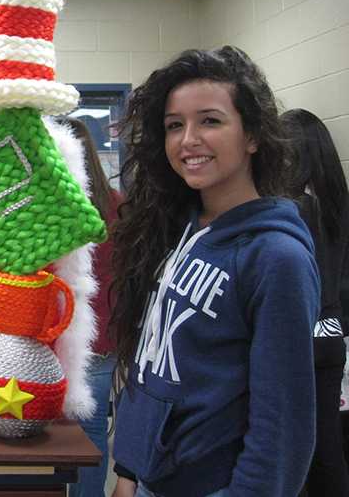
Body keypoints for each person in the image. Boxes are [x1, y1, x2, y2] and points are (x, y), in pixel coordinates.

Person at [108, 46, 320, 497]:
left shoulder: (276, 257)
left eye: (210, 120)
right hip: (150, 481)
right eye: (174, 125)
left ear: (253, 136)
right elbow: (151, 363)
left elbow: (281, 428)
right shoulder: (177, 231)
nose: (188, 140)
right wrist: (128, 470)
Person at [282, 108, 349, 496]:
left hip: (299, 335)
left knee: (295, 447)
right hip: (332, 336)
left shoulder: (291, 209)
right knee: (328, 445)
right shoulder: (338, 204)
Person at [64, 116, 123, 497]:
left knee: (46, 429)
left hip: (60, 335)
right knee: (92, 428)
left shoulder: (54, 208)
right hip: (103, 337)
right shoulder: (115, 204)